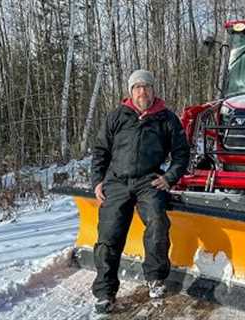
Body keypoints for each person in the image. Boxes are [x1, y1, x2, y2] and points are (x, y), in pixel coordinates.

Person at [90, 69, 190, 314]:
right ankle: (105, 292)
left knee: (157, 223)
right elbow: (100, 151)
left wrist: (169, 177)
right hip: (116, 182)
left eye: (146, 86)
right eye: (137, 87)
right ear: (130, 91)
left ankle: (155, 278)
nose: (142, 91)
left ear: (153, 90)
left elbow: (181, 153)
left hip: (149, 182)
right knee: (109, 235)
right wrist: (97, 181)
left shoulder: (166, 119)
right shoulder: (117, 116)